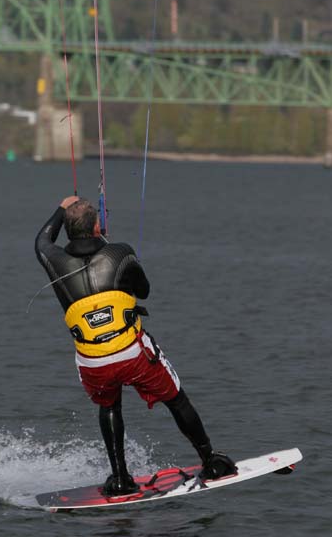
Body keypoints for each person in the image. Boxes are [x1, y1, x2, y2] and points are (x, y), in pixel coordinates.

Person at [35, 195, 237, 496]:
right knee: (177, 400)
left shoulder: (53, 259)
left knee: (109, 405)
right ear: (97, 226)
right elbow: (144, 291)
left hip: (93, 362)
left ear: (66, 230)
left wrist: (62, 208)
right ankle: (210, 459)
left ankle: (119, 478)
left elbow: (41, 241)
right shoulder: (119, 253)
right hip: (133, 354)